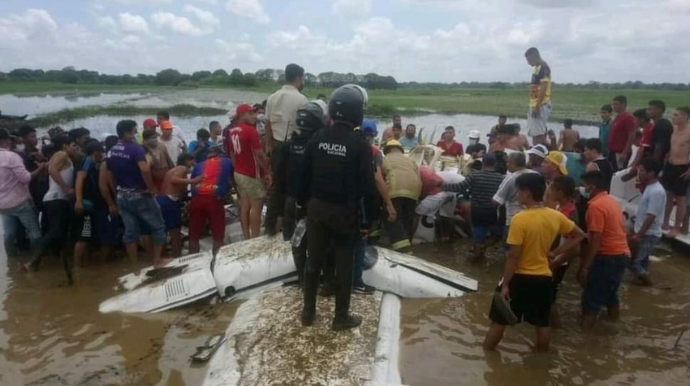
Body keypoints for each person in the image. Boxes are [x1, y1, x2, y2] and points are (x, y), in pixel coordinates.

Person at [298, 84, 375, 330]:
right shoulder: (359, 144)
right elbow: (368, 187)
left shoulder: (317, 137)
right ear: (357, 113)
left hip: (317, 210)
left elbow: (303, 178)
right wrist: (369, 221)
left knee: (313, 262)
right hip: (344, 214)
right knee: (343, 265)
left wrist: (304, 206)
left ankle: (308, 312)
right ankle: (340, 317)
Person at [484, 173, 585, 352]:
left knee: (499, 321)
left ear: (527, 193)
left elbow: (514, 256)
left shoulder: (519, 219)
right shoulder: (555, 216)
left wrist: (506, 284)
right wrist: (555, 252)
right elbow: (580, 235)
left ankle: (486, 355)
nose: (517, 193)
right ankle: (540, 361)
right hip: (544, 278)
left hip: (519, 277)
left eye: (519, 190)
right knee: (542, 323)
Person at [103, 120, 170, 268]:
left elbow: (109, 174)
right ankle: (157, 261)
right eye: (134, 129)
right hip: (140, 194)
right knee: (158, 227)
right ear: (128, 132)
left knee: (130, 231)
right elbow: (145, 169)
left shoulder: (112, 150)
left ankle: (134, 265)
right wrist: (151, 188)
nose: (137, 132)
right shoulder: (136, 149)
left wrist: (116, 191)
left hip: (122, 195)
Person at [276, 101, 328, 284]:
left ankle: (302, 279)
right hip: (312, 202)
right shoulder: (320, 145)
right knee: (319, 242)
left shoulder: (288, 145)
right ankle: (319, 279)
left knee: (297, 243)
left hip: (291, 200)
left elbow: (279, 178)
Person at [578, 171, 631, 329]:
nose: (581, 188)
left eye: (584, 185)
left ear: (591, 187)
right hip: (621, 255)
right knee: (610, 296)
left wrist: (585, 266)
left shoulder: (596, 206)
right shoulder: (611, 201)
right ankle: (613, 326)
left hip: (608, 257)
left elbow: (596, 239)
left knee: (591, 300)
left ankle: (583, 340)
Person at [23, 135, 79, 272]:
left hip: (57, 199)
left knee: (59, 231)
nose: (76, 148)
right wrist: (66, 188)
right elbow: (52, 170)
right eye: (73, 145)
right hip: (56, 198)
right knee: (55, 231)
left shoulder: (61, 157)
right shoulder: (62, 155)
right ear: (65, 146)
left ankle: (58, 261)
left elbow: (49, 168)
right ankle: (32, 262)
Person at [264, 63, 309, 236]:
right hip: (294, 147)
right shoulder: (302, 99)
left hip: (277, 146)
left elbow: (267, 124)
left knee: (277, 186)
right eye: (303, 78)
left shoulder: (272, 97)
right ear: (298, 78)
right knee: (292, 188)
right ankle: (288, 229)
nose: (303, 81)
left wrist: (269, 145)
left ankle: (269, 225)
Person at [444, 152, 505, 260]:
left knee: (478, 238)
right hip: (493, 212)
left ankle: (477, 258)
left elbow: (459, 187)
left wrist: (442, 186)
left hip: (477, 211)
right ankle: (483, 248)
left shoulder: (475, 175)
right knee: (498, 235)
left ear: (483, 163)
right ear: (495, 164)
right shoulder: (500, 178)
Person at [228, 104, 271, 240]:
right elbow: (259, 154)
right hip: (251, 174)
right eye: (250, 113)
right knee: (256, 207)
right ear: (242, 115)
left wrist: (236, 170)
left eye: (255, 113)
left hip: (239, 173)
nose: (254, 116)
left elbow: (232, 154)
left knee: (245, 205)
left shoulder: (232, 131)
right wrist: (268, 170)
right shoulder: (250, 131)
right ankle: (255, 239)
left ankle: (247, 237)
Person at [0, 128, 43, 257]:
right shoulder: (12, 156)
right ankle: (36, 261)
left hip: (2, 205)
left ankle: (12, 263)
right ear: (3, 141)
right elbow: (26, 178)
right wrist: (40, 169)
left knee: (9, 234)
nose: (10, 141)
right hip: (20, 201)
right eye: (8, 139)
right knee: (34, 233)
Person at [544, 176, 580, 328]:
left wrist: (555, 260)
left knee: (549, 298)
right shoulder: (561, 207)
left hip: (559, 261)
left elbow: (576, 247)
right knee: (546, 296)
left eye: (552, 188)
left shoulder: (569, 214)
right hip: (555, 259)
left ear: (561, 192)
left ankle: (556, 330)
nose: (549, 191)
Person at [188, 145, 233, 255]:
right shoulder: (227, 161)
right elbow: (233, 179)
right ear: (220, 154)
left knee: (194, 235)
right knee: (218, 236)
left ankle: (193, 259)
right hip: (214, 200)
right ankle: (216, 261)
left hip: (196, 199)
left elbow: (193, 182)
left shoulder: (199, 165)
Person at [627, 158, 665, 286]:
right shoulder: (649, 187)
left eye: (642, 171)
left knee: (634, 263)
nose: (639, 173)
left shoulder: (656, 191)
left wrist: (639, 235)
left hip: (649, 234)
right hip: (644, 232)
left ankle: (652, 287)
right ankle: (640, 284)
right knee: (641, 261)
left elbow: (651, 216)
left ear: (651, 173)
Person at [73, 141, 110, 267]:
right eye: (101, 152)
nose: (102, 155)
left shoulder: (92, 163)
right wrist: (79, 200)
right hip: (86, 205)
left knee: (87, 236)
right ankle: (77, 266)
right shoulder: (87, 162)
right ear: (96, 152)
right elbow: (79, 179)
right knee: (84, 235)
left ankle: (84, 264)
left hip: (90, 205)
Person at [381, 140, 422, 251]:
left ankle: (404, 251)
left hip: (394, 190)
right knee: (406, 221)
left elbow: (379, 179)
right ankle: (407, 244)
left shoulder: (384, 159)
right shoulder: (411, 161)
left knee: (393, 220)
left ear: (387, 151)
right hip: (413, 192)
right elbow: (420, 181)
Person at [157, 153, 200, 257]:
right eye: (192, 161)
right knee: (175, 230)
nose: (193, 163)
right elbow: (174, 180)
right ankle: (177, 254)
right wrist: (193, 181)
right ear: (186, 161)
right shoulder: (183, 168)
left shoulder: (172, 169)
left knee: (163, 230)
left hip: (161, 199)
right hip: (170, 200)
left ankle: (162, 255)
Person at [493, 152, 537, 238]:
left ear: (512, 164)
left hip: (514, 219)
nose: (507, 164)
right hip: (534, 218)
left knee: (510, 248)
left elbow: (496, 201)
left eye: (508, 162)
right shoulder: (536, 175)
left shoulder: (510, 178)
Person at [662, 107, 690, 237]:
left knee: (680, 199)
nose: (673, 117)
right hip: (670, 166)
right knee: (668, 195)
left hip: (682, 167)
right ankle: (666, 221)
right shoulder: (674, 129)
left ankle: (677, 227)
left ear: (685, 117)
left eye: (676, 115)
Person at [525, 47, 553, 147]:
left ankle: (542, 152)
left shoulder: (544, 67)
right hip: (534, 104)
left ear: (535, 56)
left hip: (541, 104)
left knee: (539, 134)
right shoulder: (536, 68)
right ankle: (536, 152)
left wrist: (537, 105)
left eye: (529, 60)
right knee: (534, 133)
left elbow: (544, 87)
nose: (528, 63)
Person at [607, 96, 636, 170]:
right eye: (613, 104)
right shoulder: (617, 117)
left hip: (620, 152)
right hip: (612, 151)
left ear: (623, 104)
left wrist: (625, 152)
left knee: (618, 172)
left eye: (616, 104)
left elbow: (631, 135)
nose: (613, 107)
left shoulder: (628, 117)